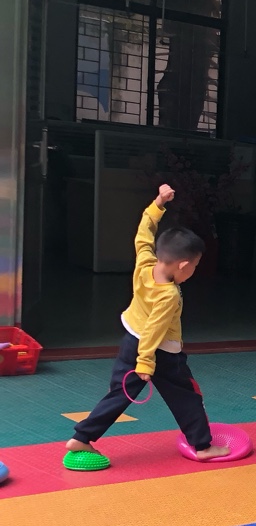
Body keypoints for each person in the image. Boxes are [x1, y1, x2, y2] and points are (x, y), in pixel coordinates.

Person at [66, 184, 229, 465]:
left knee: (120, 393)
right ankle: (203, 446)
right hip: (160, 352)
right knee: (186, 395)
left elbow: (144, 234)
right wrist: (145, 363)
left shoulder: (145, 263)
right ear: (183, 265)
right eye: (194, 267)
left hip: (131, 340)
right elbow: (155, 328)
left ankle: (83, 436)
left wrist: (158, 204)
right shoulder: (168, 295)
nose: (193, 272)